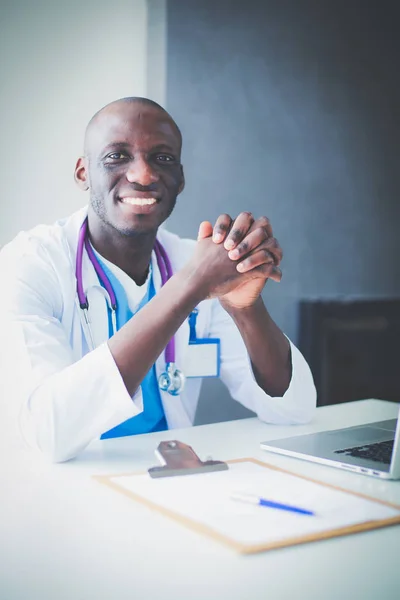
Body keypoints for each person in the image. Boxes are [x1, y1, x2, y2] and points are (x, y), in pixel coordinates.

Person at [0, 97, 316, 462]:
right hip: (63, 493)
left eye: (162, 158)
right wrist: (189, 286)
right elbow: (48, 432)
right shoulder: (28, 265)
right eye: (117, 156)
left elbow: (294, 409)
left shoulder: (191, 262)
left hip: (169, 483)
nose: (144, 175)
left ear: (180, 179)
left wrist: (244, 305)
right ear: (83, 173)